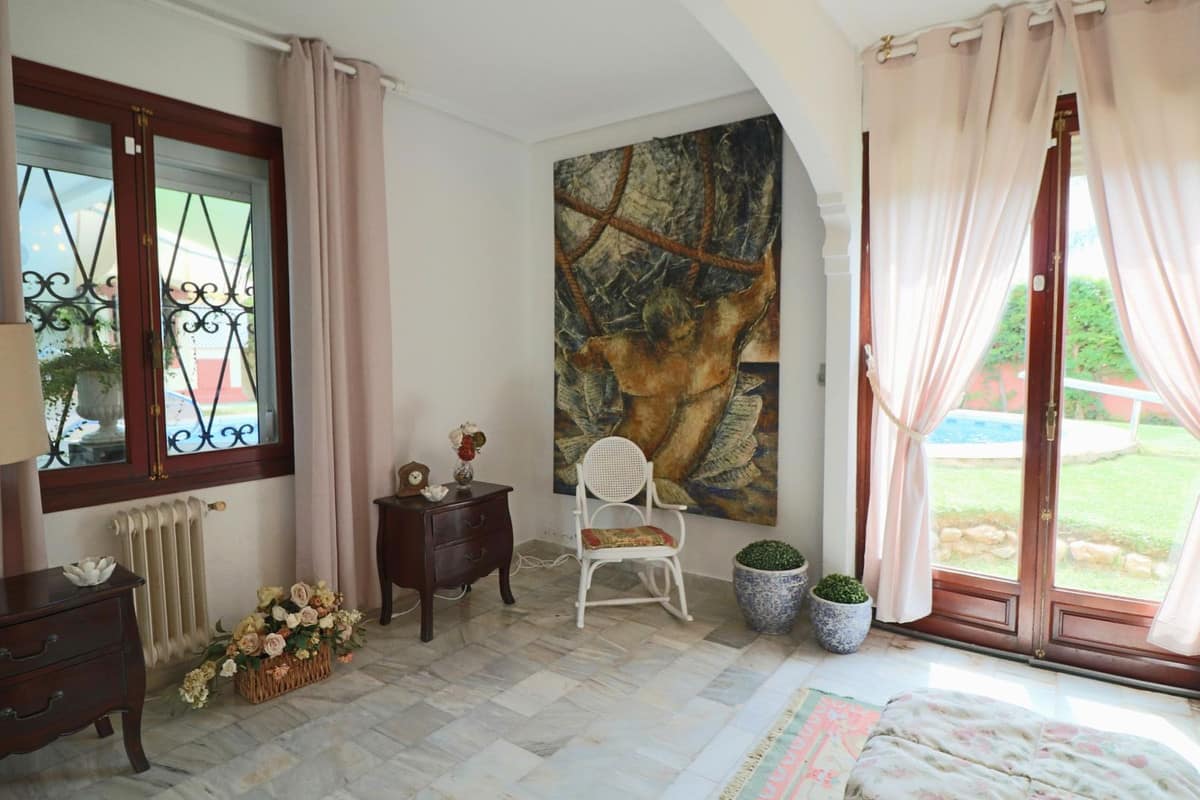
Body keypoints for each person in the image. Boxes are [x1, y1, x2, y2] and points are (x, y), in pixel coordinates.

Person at [569, 242, 777, 480]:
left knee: (662, 482)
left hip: (681, 455)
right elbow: (580, 357)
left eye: (688, 333)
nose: (684, 345)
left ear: (694, 319)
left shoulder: (721, 321)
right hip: (624, 457)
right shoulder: (625, 349)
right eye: (675, 340)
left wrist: (768, 246)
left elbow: (765, 289)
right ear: (657, 342)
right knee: (613, 479)